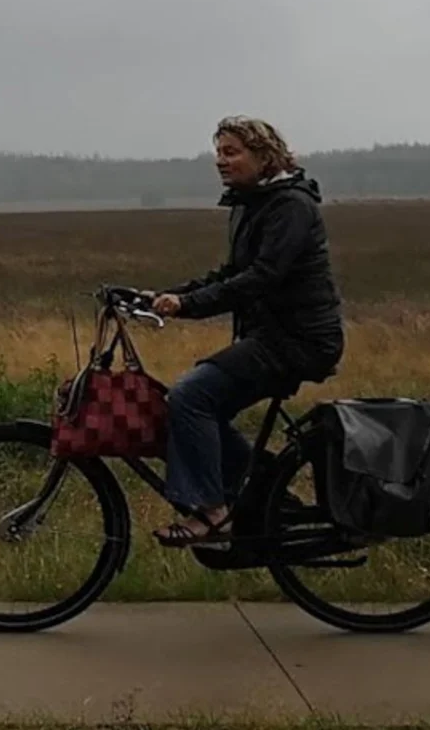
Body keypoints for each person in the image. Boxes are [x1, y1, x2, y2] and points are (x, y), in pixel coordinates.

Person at [144, 116, 344, 547]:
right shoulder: (253, 203)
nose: (221, 161)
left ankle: (212, 513)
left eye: (232, 152)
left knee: (191, 397)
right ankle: (266, 489)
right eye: (218, 152)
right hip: (272, 338)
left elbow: (262, 277)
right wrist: (167, 296)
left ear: (264, 156)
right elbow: (231, 273)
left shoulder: (290, 205)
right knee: (200, 406)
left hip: (298, 341)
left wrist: (188, 305)